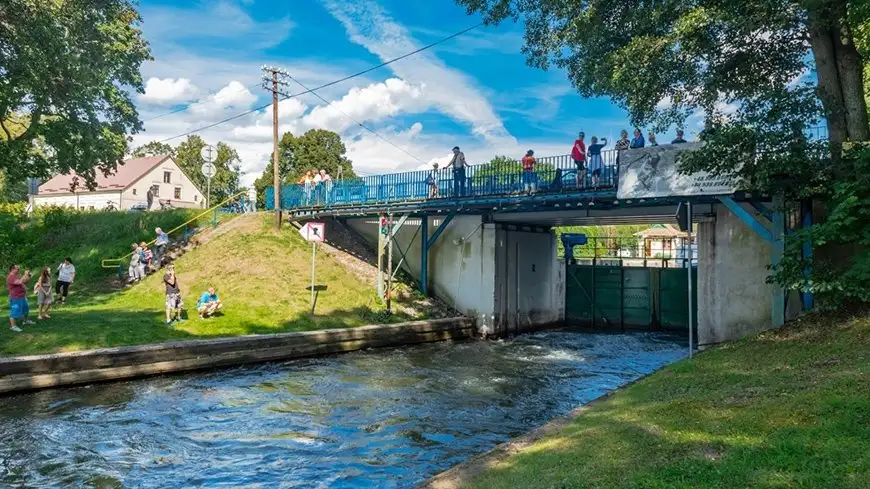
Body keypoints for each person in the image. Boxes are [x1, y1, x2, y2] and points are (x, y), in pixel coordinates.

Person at [7, 265, 33, 332]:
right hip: (15, 297)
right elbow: (19, 282)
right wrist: (25, 274)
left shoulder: (17, 275)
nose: (19, 270)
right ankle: (13, 326)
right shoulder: (10, 277)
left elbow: (24, 282)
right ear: (12, 269)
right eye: (17, 269)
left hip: (22, 296)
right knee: (15, 311)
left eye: (19, 269)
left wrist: (28, 276)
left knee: (26, 308)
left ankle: (26, 321)